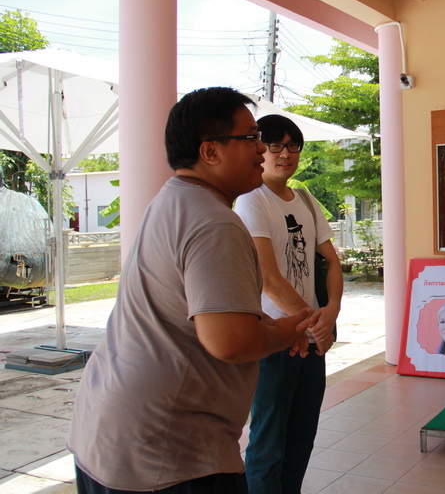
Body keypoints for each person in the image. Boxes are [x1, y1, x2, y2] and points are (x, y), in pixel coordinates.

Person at [67, 87, 313, 494]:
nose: (261, 149)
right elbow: (230, 341)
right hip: (167, 452)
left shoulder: (172, 200)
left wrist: (267, 324)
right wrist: (289, 330)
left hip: (109, 434)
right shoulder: (215, 222)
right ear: (210, 152)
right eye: (250, 137)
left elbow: (199, 312)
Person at [233, 114, 343, 494]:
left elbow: (331, 261)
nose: (285, 154)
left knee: (301, 437)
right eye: (275, 145)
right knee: (268, 443)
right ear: (259, 149)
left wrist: (331, 313)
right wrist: (315, 324)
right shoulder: (252, 200)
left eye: (292, 146)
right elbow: (269, 278)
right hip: (276, 339)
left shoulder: (306, 200)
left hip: (310, 339)